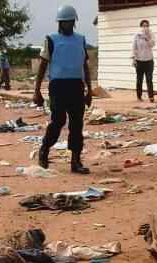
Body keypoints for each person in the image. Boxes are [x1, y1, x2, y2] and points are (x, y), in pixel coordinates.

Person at [33, 5, 92, 175]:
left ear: (74, 22)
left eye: (71, 21)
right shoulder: (51, 40)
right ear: (60, 23)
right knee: (58, 121)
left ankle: (76, 160)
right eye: (65, 22)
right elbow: (43, 66)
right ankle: (44, 149)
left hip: (76, 86)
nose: (68, 24)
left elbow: (84, 66)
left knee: (76, 124)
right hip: (58, 86)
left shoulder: (80, 39)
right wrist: (36, 90)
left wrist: (89, 89)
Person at [132, 20, 156, 102]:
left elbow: (152, 45)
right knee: (139, 79)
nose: (145, 27)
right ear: (141, 26)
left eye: (147, 25)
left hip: (149, 60)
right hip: (139, 60)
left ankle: (151, 97)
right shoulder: (137, 35)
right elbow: (134, 47)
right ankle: (139, 96)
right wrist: (134, 59)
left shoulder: (151, 34)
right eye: (143, 25)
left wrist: (147, 38)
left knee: (149, 79)